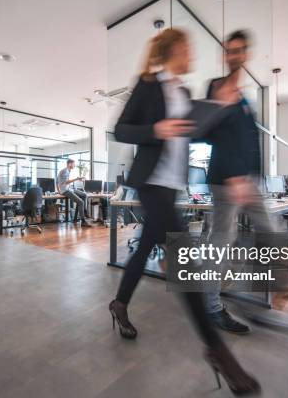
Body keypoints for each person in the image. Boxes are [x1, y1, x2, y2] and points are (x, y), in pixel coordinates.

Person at [109, 28, 260, 395]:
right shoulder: (148, 84)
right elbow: (121, 130)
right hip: (150, 183)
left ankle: (119, 303)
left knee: (145, 246)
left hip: (171, 184)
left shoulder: (184, 93)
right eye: (187, 47)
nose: (192, 52)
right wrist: (157, 128)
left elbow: (192, 136)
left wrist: (219, 111)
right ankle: (218, 352)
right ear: (172, 50)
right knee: (186, 262)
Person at [201, 30, 276, 333]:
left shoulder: (244, 98)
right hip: (224, 179)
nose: (234, 55)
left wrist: (254, 179)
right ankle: (212, 307)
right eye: (229, 51)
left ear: (245, 54)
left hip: (247, 181)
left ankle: (248, 299)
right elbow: (204, 134)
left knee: (270, 231)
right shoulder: (216, 88)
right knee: (221, 241)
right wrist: (218, 107)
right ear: (225, 54)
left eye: (239, 50)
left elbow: (250, 141)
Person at [57, 159, 92, 227]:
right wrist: (76, 179)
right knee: (81, 202)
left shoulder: (68, 171)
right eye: (73, 164)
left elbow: (59, 181)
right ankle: (83, 221)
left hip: (69, 189)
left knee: (84, 194)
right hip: (65, 190)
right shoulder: (64, 171)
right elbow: (66, 182)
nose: (74, 165)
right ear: (69, 164)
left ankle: (84, 211)